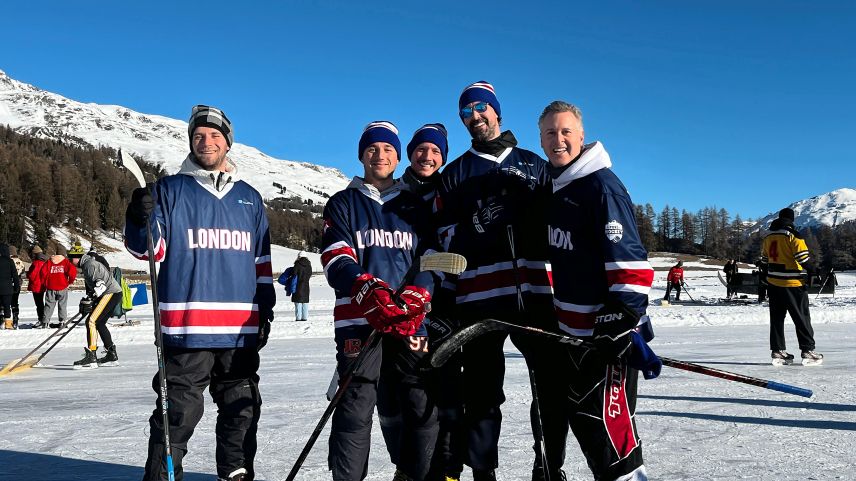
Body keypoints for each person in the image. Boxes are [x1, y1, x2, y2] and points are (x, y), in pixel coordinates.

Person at [125, 105, 275, 481]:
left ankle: (235, 475)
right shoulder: (169, 190)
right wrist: (136, 216)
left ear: (227, 142)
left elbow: (261, 263)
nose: (206, 142)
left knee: (242, 411)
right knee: (178, 414)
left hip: (239, 331)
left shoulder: (250, 198)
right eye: (198, 135)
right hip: (186, 329)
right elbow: (148, 250)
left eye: (214, 135)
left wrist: (266, 309)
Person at [433, 81, 558, 481]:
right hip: (480, 298)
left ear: (497, 111)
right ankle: (483, 473)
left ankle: (549, 465)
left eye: (481, 108)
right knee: (483, 395)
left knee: (549, 388)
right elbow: (443, 240)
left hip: (537, 294)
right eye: (466, 112)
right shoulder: (454, 174)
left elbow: (560, 227)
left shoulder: (534, 164)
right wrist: (476, 223)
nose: (475, 116)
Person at [538, 100, 659, 480]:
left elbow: (632, 263)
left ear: (581, 136)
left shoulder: (601, 186)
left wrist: (620, 320)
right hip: (574, 338)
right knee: (590, 430)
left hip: (606, 340)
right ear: (541, 140)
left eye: (566, 131)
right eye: (550, 133)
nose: (559, 140)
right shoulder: (559, 189)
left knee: (612, 440)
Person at [321, 121, 437, 481]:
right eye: (372, 148)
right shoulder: (343, 202)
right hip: (360, 321)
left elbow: (430, 258)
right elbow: (335, 255)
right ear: (361, 155)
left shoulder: (414, 206)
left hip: (408, 322)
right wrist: (366, 289)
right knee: (355, 408)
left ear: (397, 155)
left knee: (421, 406)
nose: (380, 155)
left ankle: (411, 474)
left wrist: (420, 291)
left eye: (388, 149)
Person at [761, 208, 823, 366]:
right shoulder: (794, 235)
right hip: (792, 283)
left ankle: (778, 350)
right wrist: (815, 270)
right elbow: (802, 258)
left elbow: (764, 260)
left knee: (776, 319)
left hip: (774, 283)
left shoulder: (769, 236)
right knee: (801, 317)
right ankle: (808, 350)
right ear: (792, 220)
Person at [68, 249, 122, 368]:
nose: (70, 262)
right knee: (100, 323)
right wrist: (89, 299)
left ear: (77, 258)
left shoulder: (89, 265)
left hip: (110, 293)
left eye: (71, 259)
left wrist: (90, 299)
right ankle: (111, 354)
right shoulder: (88, 264)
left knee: (91, 321)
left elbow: (100, 285)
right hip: (112, 293)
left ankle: (91, 355)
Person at [39, 246, 78, 328]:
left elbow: (42, 272)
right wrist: (69, 281)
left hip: (50, 287)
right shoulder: (66, 262)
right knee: (62, 305)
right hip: (62, 287)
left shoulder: (49, 261)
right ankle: (62, 321)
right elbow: (73, 272)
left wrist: (45, 283)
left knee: (49, 305)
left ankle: (45, 322)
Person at [27, 245, 49, 327]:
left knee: (39, 304)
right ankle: (44, 319)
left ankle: (41, 320)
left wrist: (28, 274)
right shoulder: (45, 262)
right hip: (43, 285)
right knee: (42, 303)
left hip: (36, 285)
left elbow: (32, 275)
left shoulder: (36, 263)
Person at [0, 245, 20, 330]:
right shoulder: (10, 261)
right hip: (8, 288)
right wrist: (16, 287)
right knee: (7, 306)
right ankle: (8, 324)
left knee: (0, 306)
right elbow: (15, 275)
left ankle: (1, 322)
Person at [8, 246, 27, 329]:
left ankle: (5, 320)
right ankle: (15, 318)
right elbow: (23, 274)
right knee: (15, 302)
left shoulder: (8, 261)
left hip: (8, 284)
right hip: (17, 285)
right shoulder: (20, 262)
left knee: (5, 303)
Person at [291, 254, 312, 322]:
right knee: (305, 302)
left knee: (298, 302)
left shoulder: (297, 264)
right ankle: (305, 317)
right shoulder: (309, 265)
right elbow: (310, 274)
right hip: (306, 286)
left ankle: (298, 318)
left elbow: (294, 274)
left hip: (298, 285)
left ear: (299, 256)